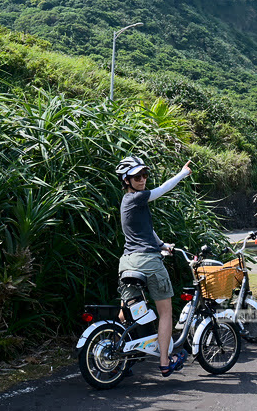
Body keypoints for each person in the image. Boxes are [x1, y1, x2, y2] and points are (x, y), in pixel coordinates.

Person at [115, 155, 192, 377]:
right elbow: (163, 189)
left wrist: (162, 245)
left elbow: (145, 231)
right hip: (147, 261)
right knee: (165, 312)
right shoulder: (137, 197)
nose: (142, 179)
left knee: (126, 311)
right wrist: (182, 174)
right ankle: (165, 362)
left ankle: (120, 355)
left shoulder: (127, 202)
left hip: (127, 261)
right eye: (137, 176)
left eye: (145, 175)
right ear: (126, 180)